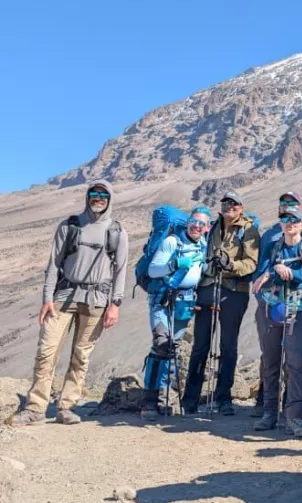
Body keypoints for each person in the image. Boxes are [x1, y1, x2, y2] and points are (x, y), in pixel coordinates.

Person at [11, 181, 129, 426]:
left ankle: (66, 406)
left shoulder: (117, 231)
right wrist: (46, 299)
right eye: (94, 194)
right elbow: (53, 264)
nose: (98, 198)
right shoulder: (70, 225)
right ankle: (35, 408)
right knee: (47, 351)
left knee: (81, 356)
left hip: (97, 300)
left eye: (103, 195)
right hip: (64, 297)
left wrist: (115, 304)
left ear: (110, 199)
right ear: (87, 197)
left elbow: (121, 271)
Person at [182, 190, 260, 415]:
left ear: (241, 208)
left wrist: (231, 266)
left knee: (228, 345)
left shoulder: (249, 230)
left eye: (234, 204)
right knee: (200, 345)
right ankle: (190, 398)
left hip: (234, 290)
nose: (229, 206)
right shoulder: (213, 226)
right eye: (226, 202)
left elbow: (252, 263)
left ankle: (223, 398)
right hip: (209, 286)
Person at [252, 205, 302, 437]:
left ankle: (295, 417)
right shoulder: (272, 246)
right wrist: (273, 271)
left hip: (299, 310)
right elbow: (257, 279)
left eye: (295, 219)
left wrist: (276, 270)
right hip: (273, 309)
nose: (289, 223)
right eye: (284, 218)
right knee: (270, 361)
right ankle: (269, 413)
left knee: (296, 364)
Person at [140, 206, 211, 421]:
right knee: (161, 344)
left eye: (201, 223)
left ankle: (165, 400)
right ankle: (150, 401)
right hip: (162, 299)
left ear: (207, 228)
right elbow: (153, 270)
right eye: (193, 221)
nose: (196, 226)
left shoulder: (203, 246)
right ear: (187, 222)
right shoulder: (172, 242)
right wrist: (175, 264)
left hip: (185, 302)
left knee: (173, 348)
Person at [250, 190, 302, 418]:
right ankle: (267, 407)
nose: (287, 208)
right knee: (270, 357)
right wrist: (266, 298)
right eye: (283, 204)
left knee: (293, 359)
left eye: (292, 204)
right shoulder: (270, 236)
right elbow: (259, 272)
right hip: (270, 305)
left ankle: (290, 407)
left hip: (296, 306)